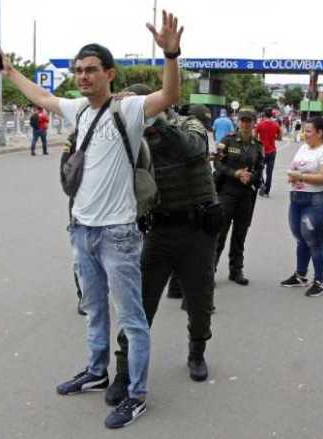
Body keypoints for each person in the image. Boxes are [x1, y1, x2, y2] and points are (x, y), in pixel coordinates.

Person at [1, 10, 183, 429]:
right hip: (81, 230)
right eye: (78, 70)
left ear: (109, 74)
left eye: (90, 70)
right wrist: (10, 72)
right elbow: (41, 98)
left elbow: (168, 96)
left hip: (118, 233)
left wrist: (171, 53)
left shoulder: (130, 110)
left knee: (132, 319)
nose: (82, 76)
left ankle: (136, 394)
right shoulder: (77, 110)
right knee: (94, 310)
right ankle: (96, 371)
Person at [105, 86, 221, 406]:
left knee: (200, 302)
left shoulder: (188, 124)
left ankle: (197, 351)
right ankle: (124, 371)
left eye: (137, 107)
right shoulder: (132, 139)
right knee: (139, 305)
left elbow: (194, 150)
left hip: (197, 233)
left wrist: (157, 120)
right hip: (158, 233)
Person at [280, 116, 323, 297]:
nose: (305, 134)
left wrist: (300, 177)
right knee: (300, 238)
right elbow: (297, 170)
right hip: (297, 199)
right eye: (304, 130)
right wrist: (293, 177)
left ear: (320, 133)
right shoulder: (304, 147)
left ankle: (320, 282)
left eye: (309, 131)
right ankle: (300, 275)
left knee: (314, 241)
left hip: (317, 202)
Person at [213, 107, 264, 285]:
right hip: (227, 192)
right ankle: (210, 270)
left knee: (240, 235)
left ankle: (236, 271)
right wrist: (235, 174)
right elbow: (218, 163)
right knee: (220, 234)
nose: (245, 124)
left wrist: (251, 177)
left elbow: (260, 168)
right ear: (238, 122)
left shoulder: (258, 146)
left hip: (245, 194)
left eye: (249, 121)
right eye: (242, 120)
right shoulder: (227, 141)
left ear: (253, 123)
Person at [255, 108, 282, 197]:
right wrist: (273, 137)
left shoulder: (260, 124)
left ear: (264, 114)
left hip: (262, 151)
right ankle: (267, 191)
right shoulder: (276, 125)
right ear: (272, 115)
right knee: (269, 172)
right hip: (272, 151)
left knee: (259, 170)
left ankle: (262, 184)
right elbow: (279, 137)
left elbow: (255, 138)